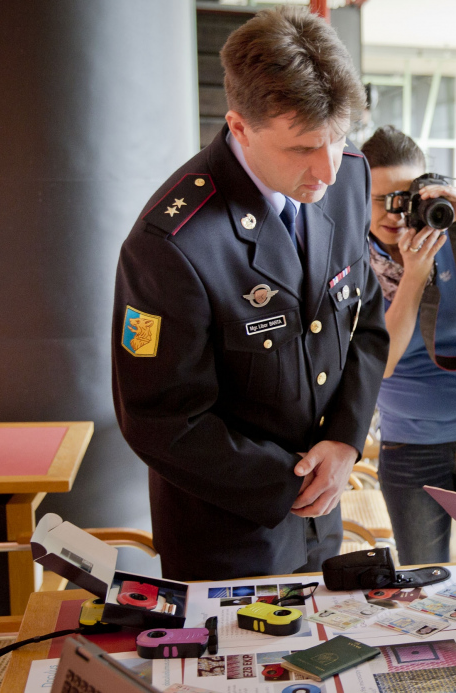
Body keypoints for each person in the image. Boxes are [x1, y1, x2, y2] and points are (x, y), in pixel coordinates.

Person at [111, 7, 389, 581]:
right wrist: (292, 480)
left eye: (338, 138)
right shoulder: (173, 243)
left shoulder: (349, 178)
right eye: (303, 147)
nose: (328, 169)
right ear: (239, 127)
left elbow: (364, 319)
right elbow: (161, 419)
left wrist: (344, 440)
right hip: (229, 529)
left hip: (326, 504)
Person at [359, 125, 456, 565]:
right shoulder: (352, 262)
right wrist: (414, 273)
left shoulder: (455, 234)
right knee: (425, 581)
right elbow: (381, 363)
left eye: (406, 197)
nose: (394, 213)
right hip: (408, 448)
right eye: (380, 200)